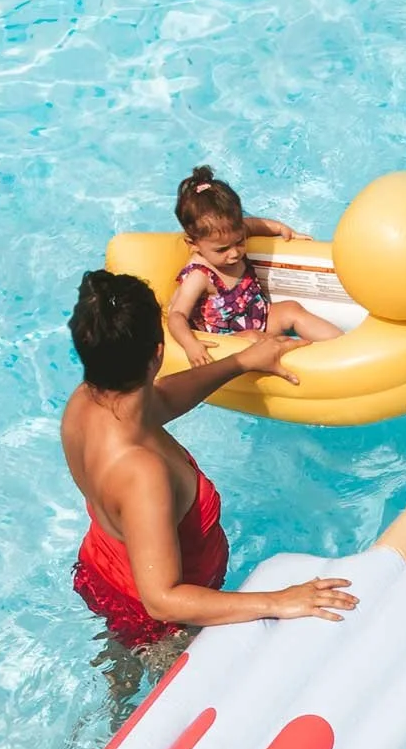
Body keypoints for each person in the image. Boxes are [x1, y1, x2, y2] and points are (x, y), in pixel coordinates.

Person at [63, 269, 358, 662]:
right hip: (162, 627)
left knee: (118, 687)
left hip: (103, 572)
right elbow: (163, 601)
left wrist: (239, 362)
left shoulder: (85, 403)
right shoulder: (142, 474)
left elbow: (161, 401)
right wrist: (279, 601)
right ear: (158, 353)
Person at [166, 165, 342, 368]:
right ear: (193, 244)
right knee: (253, 338)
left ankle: (342, 346)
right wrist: (190, 344)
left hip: (259, 315)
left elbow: (254, 224)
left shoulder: (232, 233)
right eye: (222, 249)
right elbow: (177, 315)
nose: (234, 253)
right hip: (231, 338)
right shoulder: (199, 275)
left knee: (291, 309)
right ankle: (307, 365)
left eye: (240, 241)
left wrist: (282, 230)